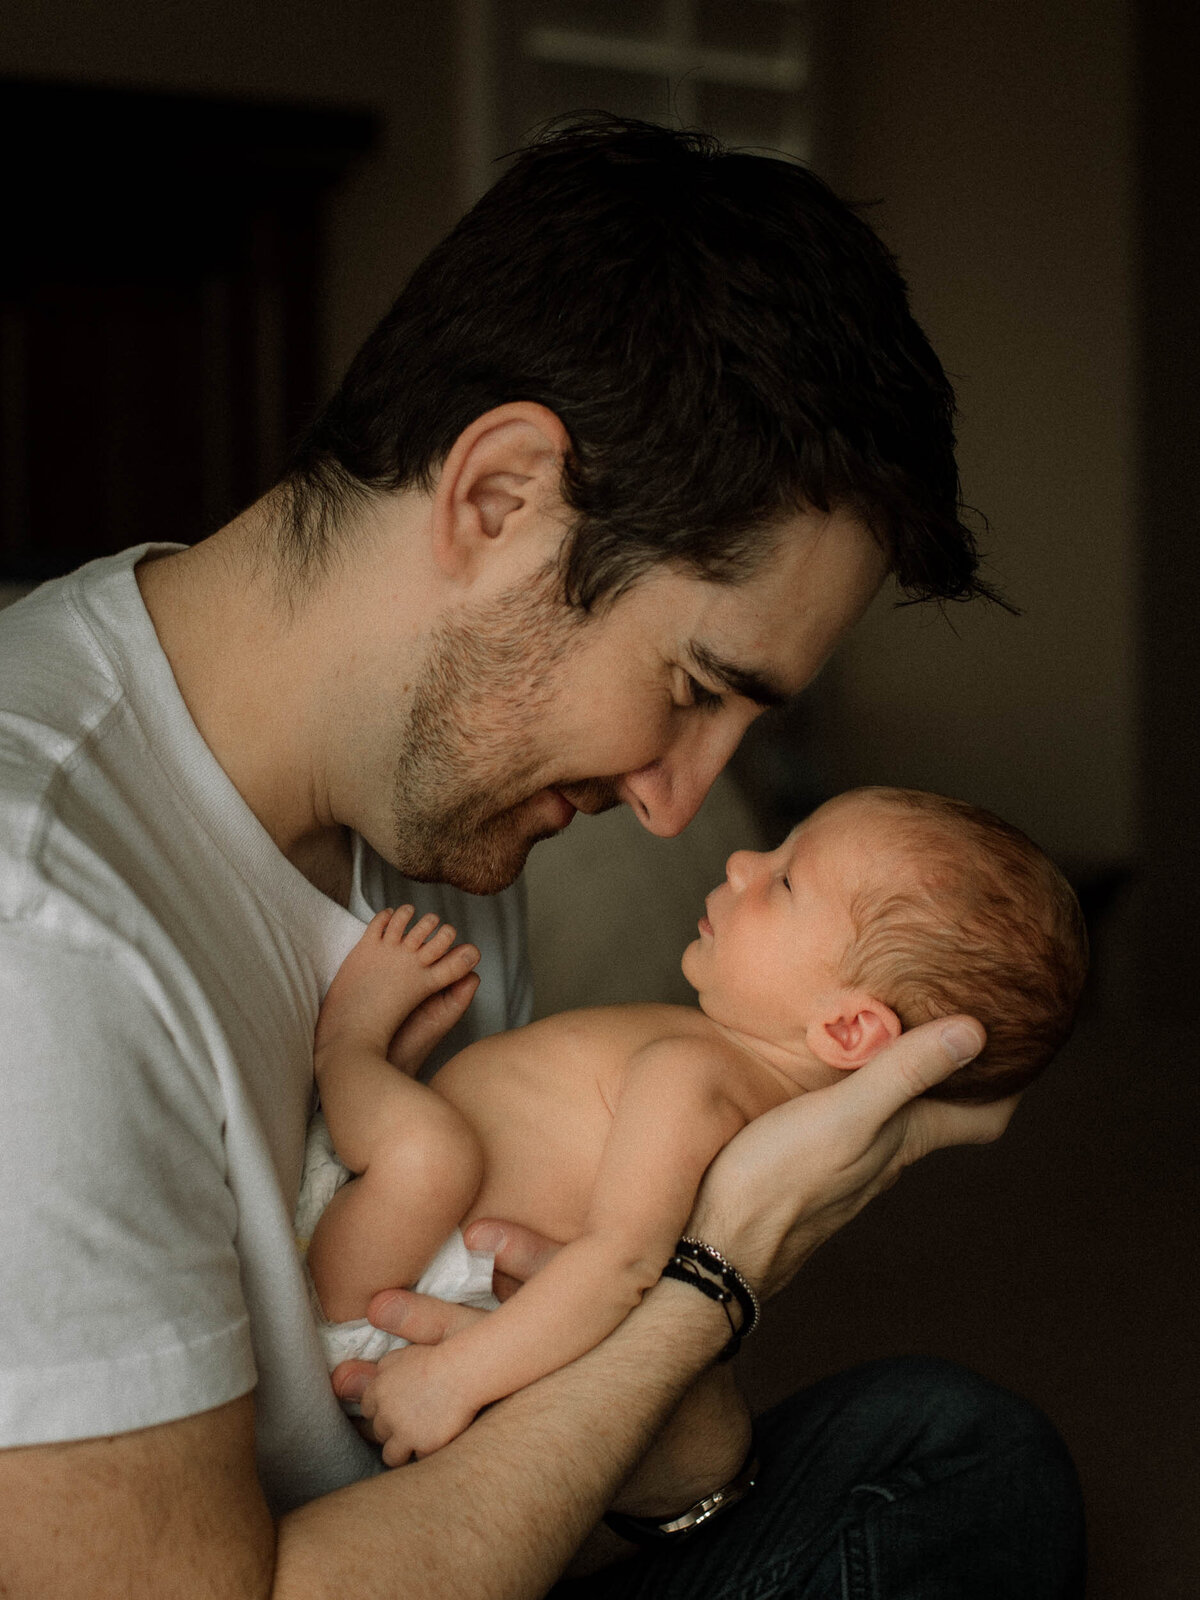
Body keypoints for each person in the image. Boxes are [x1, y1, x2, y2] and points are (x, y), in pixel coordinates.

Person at [0, 116, 1085, 1597]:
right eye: (694, 688)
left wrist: (667, 1338)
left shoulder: (439, 817)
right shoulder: (39, 925)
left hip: (437, 1495)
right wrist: (723, 1265)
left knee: (953, 1449)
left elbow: (573, 1411)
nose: (672, 803)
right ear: (501, 497)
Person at [302, 786, 1088, 1469]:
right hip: (422, 1268)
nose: (744, 861)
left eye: (783, 881)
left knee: (430, 1155)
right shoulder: (741, 1085)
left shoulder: (700, 1080)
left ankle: (348, 1049)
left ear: (848, 1032)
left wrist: (457, 1380)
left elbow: (620, 1264)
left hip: (379, 1288)